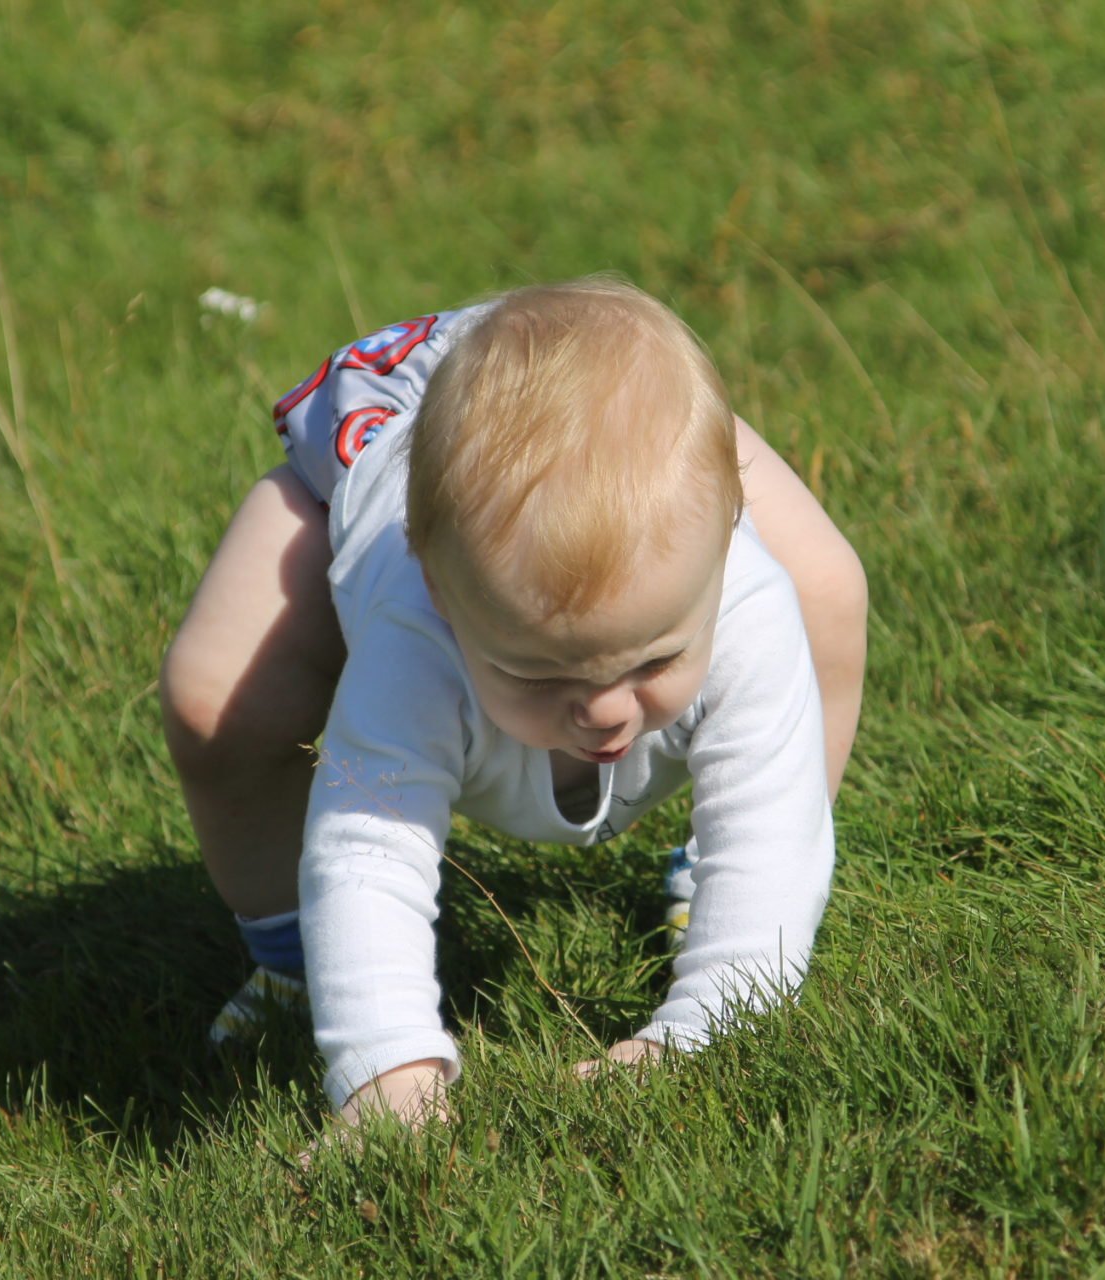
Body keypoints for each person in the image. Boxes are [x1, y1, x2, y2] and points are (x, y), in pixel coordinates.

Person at [159, 278, 867, 1129]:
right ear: (445, 600)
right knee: (215, 704)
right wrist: (387, 1077)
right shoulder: (410, 634)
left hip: (600, 426)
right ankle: (291, 956)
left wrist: (713, 1023)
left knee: (826, 592)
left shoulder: (744, 597)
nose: (606, 712)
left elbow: (767, 812)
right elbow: (368, 851)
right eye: (540, 675)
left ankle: (712, 881)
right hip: (386, 426)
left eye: (656, 658)